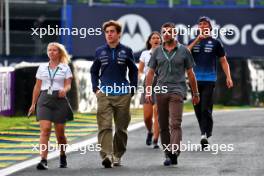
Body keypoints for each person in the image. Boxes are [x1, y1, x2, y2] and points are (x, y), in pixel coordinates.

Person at [145, 22, 200, 166]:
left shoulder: (184, 51)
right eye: (164, 32)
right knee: (163, 125)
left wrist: (195, 93)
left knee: (175, 123)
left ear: (175, 33)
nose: (166, 34)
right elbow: (150, 73)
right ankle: (168, 153)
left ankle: (175, 151)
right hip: (161, 91)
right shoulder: (157, 51)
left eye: (169, 32)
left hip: (177, 90)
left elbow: (191, 73)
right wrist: (148, 90)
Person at [90, 20, 138, 168]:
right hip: (104, 93)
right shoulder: (99, 51)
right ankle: (107, 155)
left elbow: (134, 70)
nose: (109, 34)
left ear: (118, 34)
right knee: (104, 125)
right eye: (107, 32)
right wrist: (96, 88)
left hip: (123, 93)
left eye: (112, 32)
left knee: (121, 128)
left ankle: (117, 155)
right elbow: (93, 70)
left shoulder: (127, 50)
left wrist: (132, 88)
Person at [188, 16, 233, 149]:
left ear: (209, 27)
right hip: (194, 80)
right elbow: (185, 52)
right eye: (200, 24)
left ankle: (203, 135)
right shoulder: (193, 41)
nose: (202, 26)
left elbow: (223, 61)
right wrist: (197, 40)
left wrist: (228, 77)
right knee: (197, 109)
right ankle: (206, 131)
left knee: (205, 107)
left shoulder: (215, 43)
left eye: (205, 24)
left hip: (209, 79)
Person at [28, 42, 73, 170]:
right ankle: (43, 159)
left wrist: (65, 89)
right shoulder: (42, 67)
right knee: (45, 130)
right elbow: (37, 87)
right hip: (44, 100)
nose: (51, 52)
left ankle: (63, 155)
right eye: (49, 50)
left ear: (59, 53)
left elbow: (68, 84)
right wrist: (33, 104)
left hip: (60, 100)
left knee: (60, 134)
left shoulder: (65, 68)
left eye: (54, 50)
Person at [138, 31, 161, 149]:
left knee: (158, 112)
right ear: (150, 41)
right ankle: (150, 131)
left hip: (161, 84)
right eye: (153, 38)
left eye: (158, 38)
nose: (156, 39)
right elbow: (140, 70)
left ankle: (156, 139)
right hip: (147, 83)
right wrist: (141, 78)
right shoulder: (145, 54)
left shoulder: (165, 53)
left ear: (161, 41)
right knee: (147, 116)